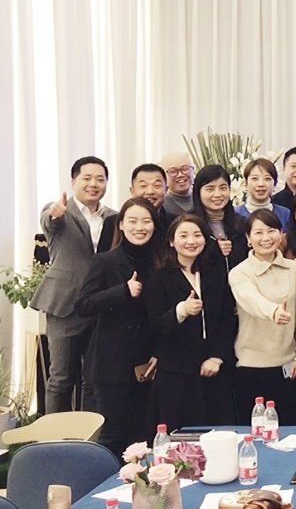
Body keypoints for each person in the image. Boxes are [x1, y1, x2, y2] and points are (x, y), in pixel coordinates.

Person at [32, 156, 117, 413]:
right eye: (87, 178)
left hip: (99, 305)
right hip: (65, 305)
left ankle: (89, 433)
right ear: (73, 181)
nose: (94, 184)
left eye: (100, 179)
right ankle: (53, 434)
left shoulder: (114, 217)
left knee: (93, 379)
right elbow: (49, 221)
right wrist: (55, 214)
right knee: (61, 378)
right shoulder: (61, 211)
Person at [75, 198, 158, 455]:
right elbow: (83, 305)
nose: (139, 227)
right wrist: (122, 291)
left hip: (147, 363)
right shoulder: (104, 261)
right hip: (112, 364)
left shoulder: (160, 262)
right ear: (120, 224)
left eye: (146, 221)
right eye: (132, 221)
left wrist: (159, 352)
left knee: (143, 436)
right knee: (112, 435)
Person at [146, 213, 237, 430]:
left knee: (218, 432)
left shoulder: (214, 273)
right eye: (183, 235)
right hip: (176, 371)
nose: (191, 241)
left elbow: (227, 319)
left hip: (213, 368)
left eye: (197, 235)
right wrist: (181, 310)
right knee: (177, 434)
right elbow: (156, 325)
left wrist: (217, 357)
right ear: (171, 241)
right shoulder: (160, 277)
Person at [229, 209, 296, 425]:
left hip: (289, 366)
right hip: (251, 366)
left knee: (290, 431)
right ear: (248, 238)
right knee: (256, 433)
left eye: (271, 231)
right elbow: (250, 299)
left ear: (281, 234)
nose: (266, 238)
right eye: (258, 233)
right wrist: (274, 311)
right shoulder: (239, 272)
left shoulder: (294, 269)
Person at [191, 165, 248, 270]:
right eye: (210, 189)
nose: (217, 194)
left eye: (223, 188)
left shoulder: (242, 224)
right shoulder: (188, 225)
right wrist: (214, 251)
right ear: (198, 192)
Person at [236, 159, 293, 229]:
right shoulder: (234, 214)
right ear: (245, 183)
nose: (261, 184)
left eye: (267, 179)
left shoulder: (285, 214)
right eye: (255, 178)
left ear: (275, 184)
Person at [130, 164, 174, 237]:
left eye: (157, 185)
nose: (150, 192)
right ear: (132, 191)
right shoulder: (114, 223)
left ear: (166, 190)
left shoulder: (176, 223)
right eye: (143, 186)